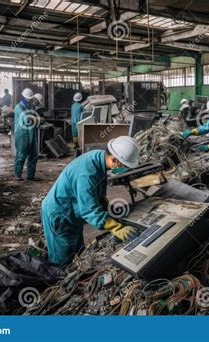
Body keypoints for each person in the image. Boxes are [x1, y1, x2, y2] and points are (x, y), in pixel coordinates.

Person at [41, 136, 140, 265]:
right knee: (62, 259)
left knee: (78, 250)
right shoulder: (86, 174)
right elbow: (89, 210)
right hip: (59, 215)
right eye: (125, 166)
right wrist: (116, 227)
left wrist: (111, 212)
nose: (125, 169)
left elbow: (97, 194)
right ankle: (56, 283)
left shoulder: (99, 158)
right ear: (115, 160)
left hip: (71, 213)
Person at [14, 88, 39, 181]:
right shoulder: (19, 107)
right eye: (28, 98)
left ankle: (30, 175)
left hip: (31, 132)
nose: (29, 100)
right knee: (21, 155)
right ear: (23, 97)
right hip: (22, 134)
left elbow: (34, 116)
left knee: (33, 155)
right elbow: (26, 118)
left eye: (30, 99)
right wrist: (37, 119)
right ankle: (17, 174)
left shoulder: (31, 106)